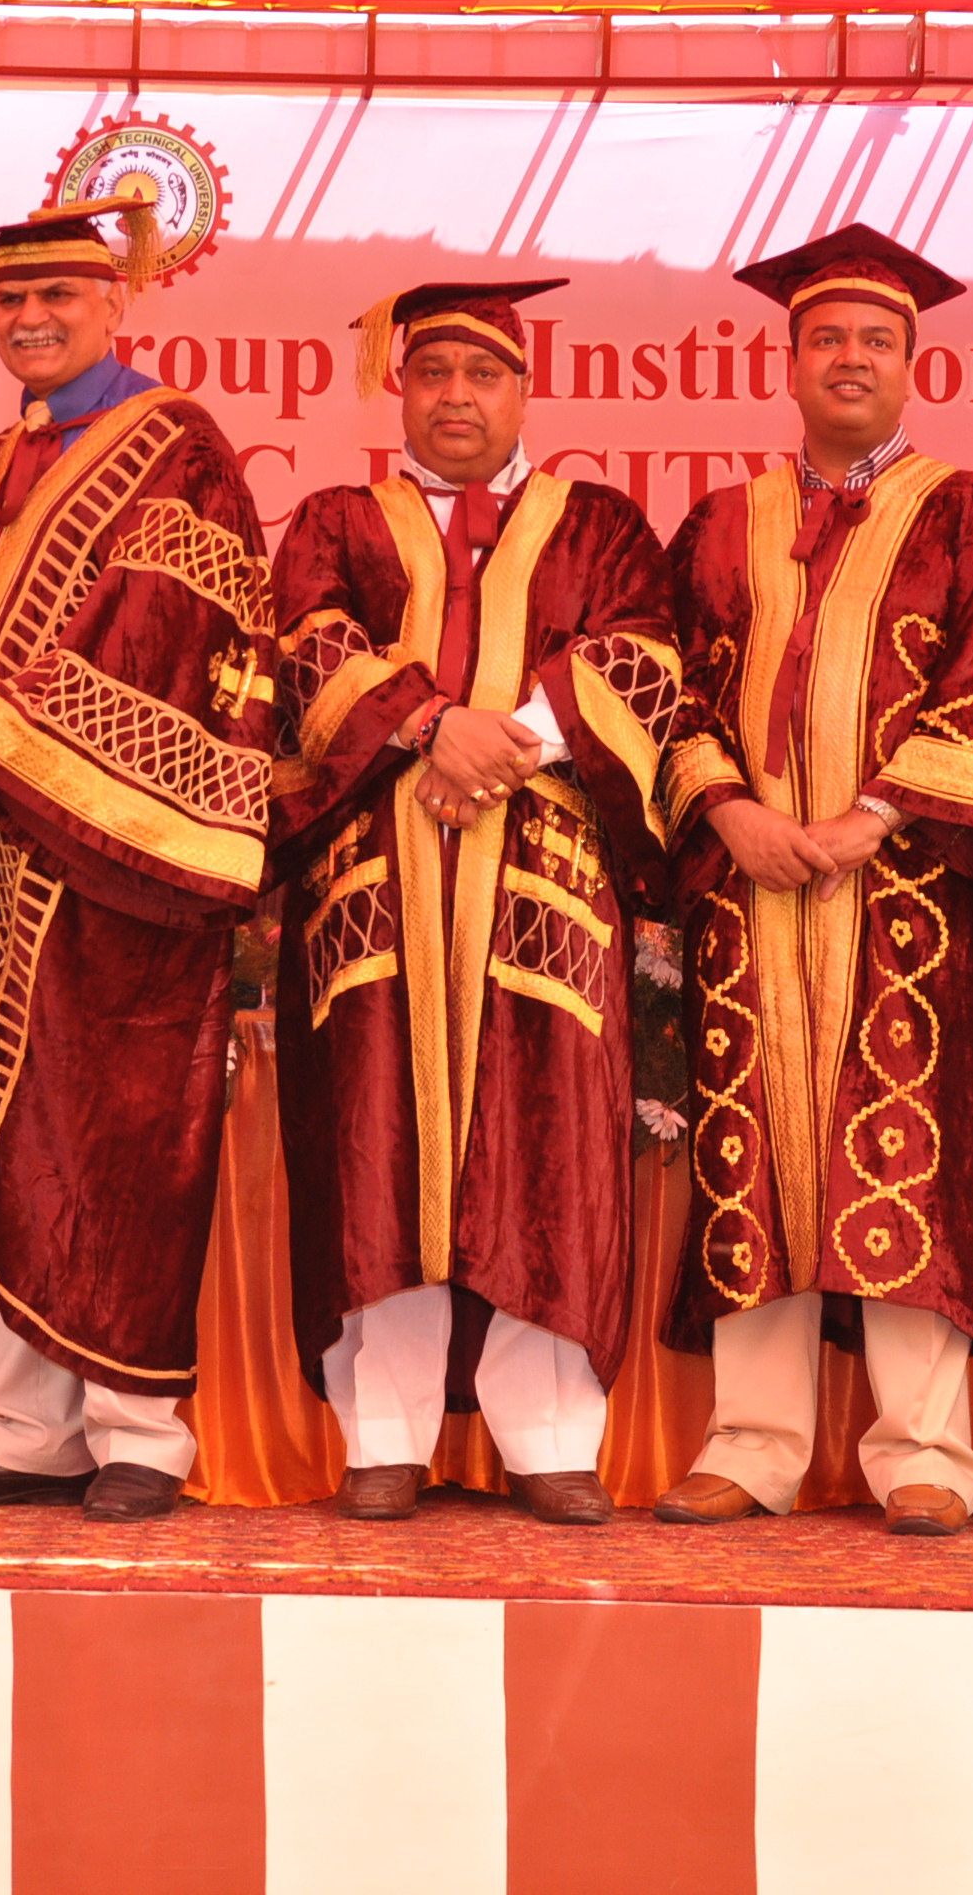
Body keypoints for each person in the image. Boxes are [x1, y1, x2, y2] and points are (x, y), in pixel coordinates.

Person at [0, 197, 276, 1523]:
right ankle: (27, 1433)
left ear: (116, 302)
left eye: (58, 297)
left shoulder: (177, 444)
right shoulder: (9, 456)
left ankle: (140, 1434)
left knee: (108, 1135)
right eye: (11, 300)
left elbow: (156, 633)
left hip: (114, 858)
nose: (31, 319)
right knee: (1, 1134)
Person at [651, 224, 973, 1537]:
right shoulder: (725, 523)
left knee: (908, 1147)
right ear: (790, 360)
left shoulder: (972, 511)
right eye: (827, 337)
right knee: (751, 1147)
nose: (851, 358)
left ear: (912, 362)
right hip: (752, 886)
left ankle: (923, 1451)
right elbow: (669, 690)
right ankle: (753, 1444)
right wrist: (730, 810)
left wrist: (874, 815)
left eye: (877, 339)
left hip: (910, 888)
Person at [271, 280, 680, 1525]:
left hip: (542, 882)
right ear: (400, 389)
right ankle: (384, 1436)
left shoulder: (598, 523)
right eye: (434, 372)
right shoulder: (339, 518)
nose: (457, 395)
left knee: (547, 1136)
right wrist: (429, 726)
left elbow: (641, 655)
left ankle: (547, 1438)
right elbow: (306, 646)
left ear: (524, 390)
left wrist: (505, 743)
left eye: (483, 373)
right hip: (377, 880)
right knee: (375, 1137)